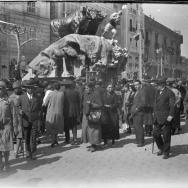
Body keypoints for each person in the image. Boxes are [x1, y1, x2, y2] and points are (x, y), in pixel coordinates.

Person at [17, 80, 40, 159]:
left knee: (33, 137)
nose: (30, 89)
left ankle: (33, 152)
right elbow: (17, 107)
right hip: (25, 119)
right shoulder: (21, 97)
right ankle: (27, 151)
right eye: (28, 88)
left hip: (34, 120)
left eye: (31, 88)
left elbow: (39, 108)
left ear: (33, 88)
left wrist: (38, 118)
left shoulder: (37, 97)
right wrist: (20, 111)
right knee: (26, 137)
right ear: (26, 89)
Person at [153, 78, 175, 159]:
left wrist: (171, 115)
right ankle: (161, 148)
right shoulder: (157, 92)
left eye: (157, 85)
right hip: (157, 117)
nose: (156, 86)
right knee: (155, 134)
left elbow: (172, 105)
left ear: (162, 84)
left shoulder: (169, 93)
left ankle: (166, 152)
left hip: (166, 117)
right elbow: (155, 103)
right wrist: (153, 113)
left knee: (166, 136)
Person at [43, 82, 64, 147]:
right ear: (59, 87)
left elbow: (45, 103)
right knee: (57, 127)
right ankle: (56, 140)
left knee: (52, 127)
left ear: (53, 87)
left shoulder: (50, 94)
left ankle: (53, 141)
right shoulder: (62, 94)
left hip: (51, 112)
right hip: (59, 112)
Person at [0, 80, 14, 171]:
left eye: (1, 88)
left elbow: (13, 114)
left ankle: (6, 163)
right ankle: (0, 164)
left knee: (5, 147)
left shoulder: (9, 101)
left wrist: (15, 127)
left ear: (5, 90)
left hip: (6, 126)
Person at [87, 83, 103, 152]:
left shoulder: (96, 94)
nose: (86, 89)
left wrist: (91, 104)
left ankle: (94, 145)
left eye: (87, 88)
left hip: (95, 114)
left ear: (91, 88)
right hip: (91, 114)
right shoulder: (90, 94)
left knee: (94, 130)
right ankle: (93, 144)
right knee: (91, 130)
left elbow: (100, 105)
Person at [9, 81, 23, 158]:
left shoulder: (23, 96)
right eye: (16, 88)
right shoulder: (10, 98)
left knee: (19, 135)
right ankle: (19, 148)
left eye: (19, 88)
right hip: (13, 118)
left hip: (20, 118)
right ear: (14, 89)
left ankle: (16, 152)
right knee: (15, 134)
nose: (17, 90)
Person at [63, 80, 80, 144]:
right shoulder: (76, 92)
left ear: (65, 86)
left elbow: (63, 102)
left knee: (66, 126)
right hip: (74, 111)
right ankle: (75, 138)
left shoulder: (64, 92)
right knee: (74, 125)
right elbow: (78, 102)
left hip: (66, 111)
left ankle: (67, 139)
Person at [130, 80, 147, 147]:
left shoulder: (142, 91)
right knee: (136, 127)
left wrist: (137, 109)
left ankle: (140, 142)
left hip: (139, 112)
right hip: (135, 112)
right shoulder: (136, 92)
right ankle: (139, 140)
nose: (136, 86)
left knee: (139, 127)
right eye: (135, 85)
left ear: (140, 84)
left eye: (137, 84)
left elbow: (143, 102)